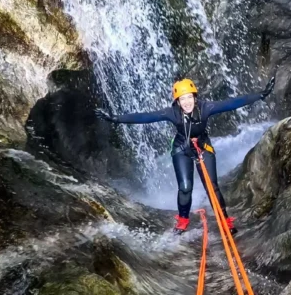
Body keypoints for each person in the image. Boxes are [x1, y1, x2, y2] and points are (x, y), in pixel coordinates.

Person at [95, 76, 275, 234]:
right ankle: (183, 219)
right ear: (177, 102)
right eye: (183, 99)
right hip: (182, 149)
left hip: (203, 146)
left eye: (190, 97)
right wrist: (116, 118)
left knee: (212, 187)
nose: (187, 102)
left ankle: (224, 219)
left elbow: (232, 103)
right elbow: (146, 117)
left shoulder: (205, 108)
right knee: (185, 187)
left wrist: (261, 94)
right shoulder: (172, 113)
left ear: (195, 98)